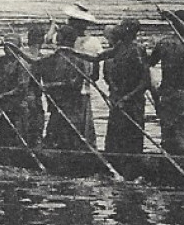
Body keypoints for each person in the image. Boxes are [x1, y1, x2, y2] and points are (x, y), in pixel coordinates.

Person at [148, 9, 184, 155]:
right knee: (182, 136)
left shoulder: (164, 43)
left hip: (166, 95)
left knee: (167, 135)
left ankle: (167, 166)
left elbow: (148, 63)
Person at [39, 22, 98, 151]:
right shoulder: (55, 58)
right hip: (59, 104)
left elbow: (74, 84)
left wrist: (51, 86)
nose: (57, 38)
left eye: (59, 35)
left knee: (67, 134)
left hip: (69, 104)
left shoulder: (77, 59)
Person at [99, 18, 149, 155]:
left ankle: (132, 170)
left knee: (132, 139)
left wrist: (127, 98)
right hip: (117, 100)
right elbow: (97, 57)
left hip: (133, 103)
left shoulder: (138, 50)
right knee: (114, 140)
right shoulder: (118, 48)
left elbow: (145, 82)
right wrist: (70, 52)